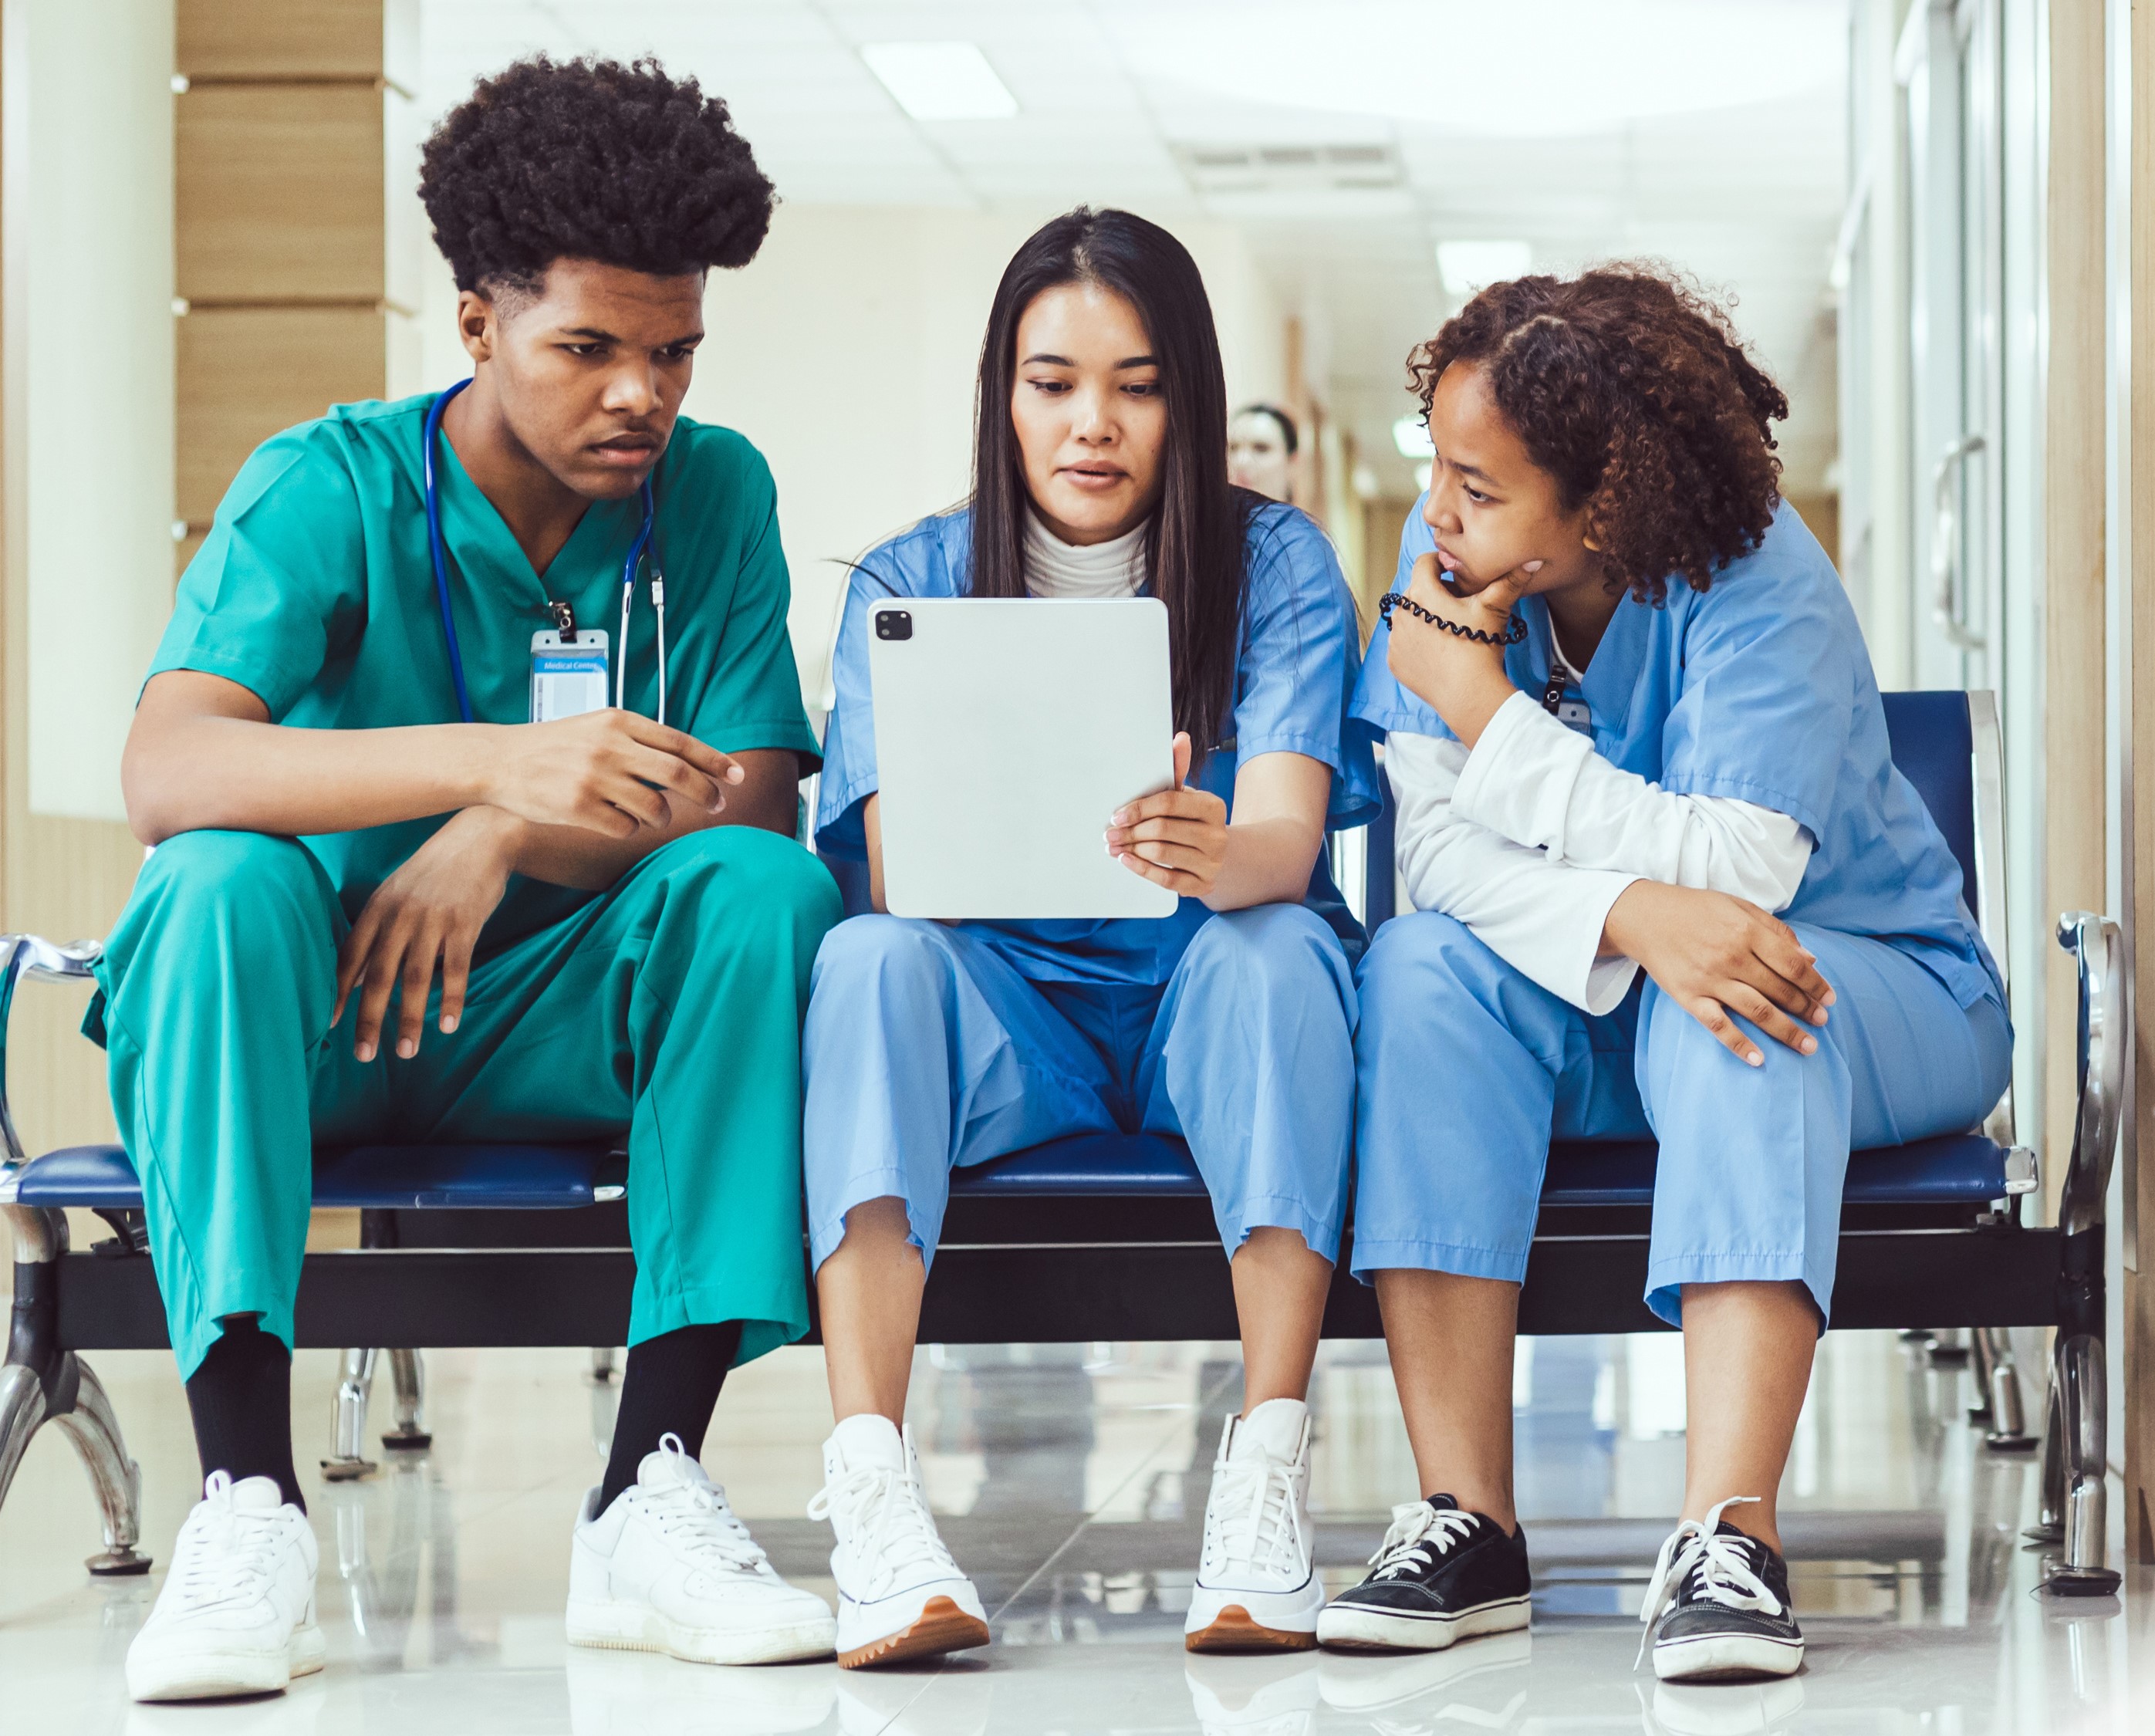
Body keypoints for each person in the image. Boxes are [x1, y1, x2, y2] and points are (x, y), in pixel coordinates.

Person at [98, 58, 838, 1701]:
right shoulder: (330, 484)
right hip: (332, 1008)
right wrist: (483, 766)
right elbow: (173, 767)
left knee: (757, 893)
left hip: (567, 1008)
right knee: (215, 884)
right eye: (589, 347)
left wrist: (513, 835)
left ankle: (650, 1489)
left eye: (674, 349)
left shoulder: (714, 495)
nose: (640, 394)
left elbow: (756, 794)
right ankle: (246, 1500)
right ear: (476, 324)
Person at [1325, 266, 2008, 1683]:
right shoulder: (1445, 572)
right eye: (1435, 470)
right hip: (1627, 972)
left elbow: (1742, 872)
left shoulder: (1761, 581)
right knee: (1418, 973)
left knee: (1740, 996)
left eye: (1476, 486)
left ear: (1601, 512)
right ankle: (1469, 1521)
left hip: (1876, 982)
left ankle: (1728, 1533)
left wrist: (1487, 711)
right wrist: (1639, 910)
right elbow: (1439, 855)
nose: (1434, 517)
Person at [798, 208, 1376, 1667]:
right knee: (866, 960)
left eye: (1137, 383)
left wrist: (1213, 846)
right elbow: (889, 869)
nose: (1093, 424)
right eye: (1052, 382)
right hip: (1009, 1009)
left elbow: (1288, 843)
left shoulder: (1280, 564)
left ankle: (1263, 1480)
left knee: (1283, 945)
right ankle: (869, 1492)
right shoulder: (907, 582)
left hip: (1206, 985)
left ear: (1187, 391)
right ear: (1004, 393)